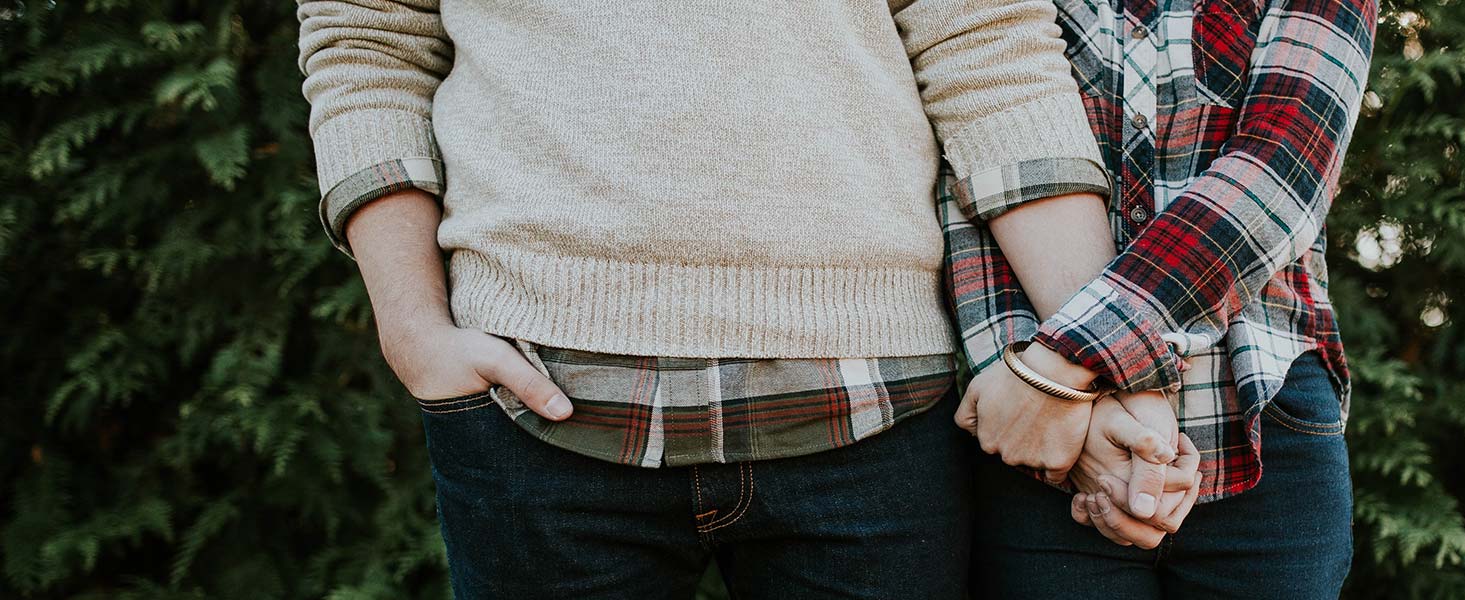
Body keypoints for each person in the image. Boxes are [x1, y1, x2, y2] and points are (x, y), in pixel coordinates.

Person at [294, 1, 1139, 598]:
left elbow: (986, 47)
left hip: (874, 406)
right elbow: (367, 40)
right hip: (534, 403)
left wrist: (1093, 361)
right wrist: (413, 331)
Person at [943, 0, 1380, 597]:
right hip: (1045, 437)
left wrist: (1063, 364)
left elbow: (1285, 166)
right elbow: (974, 140)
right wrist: (1035, 389)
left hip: (1258, 415)